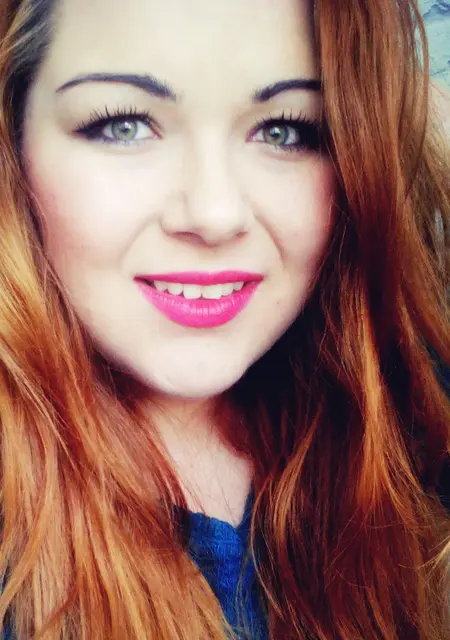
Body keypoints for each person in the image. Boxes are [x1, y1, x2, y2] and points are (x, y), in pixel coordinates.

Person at [0, 0, 449, 638]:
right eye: (124, 124)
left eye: (285, 131)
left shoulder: (412, 407)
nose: (214, 215)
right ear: (13, 142)